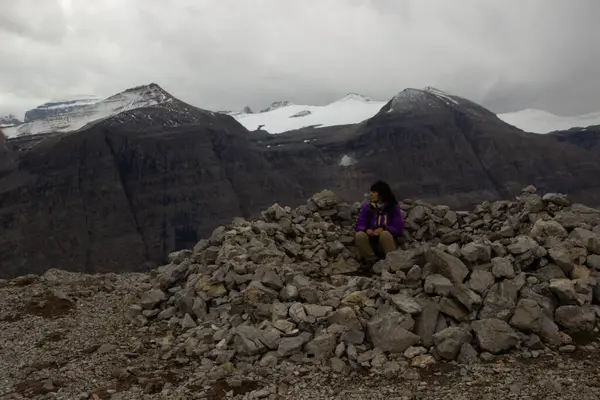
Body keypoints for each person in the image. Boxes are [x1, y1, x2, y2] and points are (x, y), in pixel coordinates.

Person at [355, 180, 404, 265]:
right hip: (371, 242)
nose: (371, 194)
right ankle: (371, 262)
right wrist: (366, 230)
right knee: (359, 235)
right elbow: (360, 224)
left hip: (387, 241)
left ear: (381, 194)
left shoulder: (392, 208)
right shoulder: (367, 207)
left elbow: (398, 227)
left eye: (374, 192)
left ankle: (392, 263)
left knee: (385, 234)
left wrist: (383, 228)